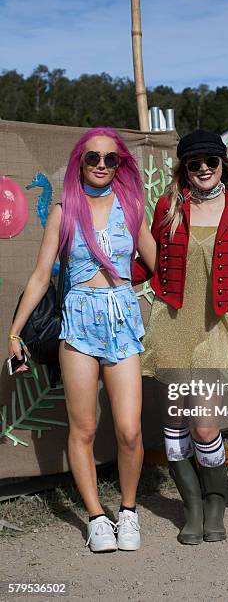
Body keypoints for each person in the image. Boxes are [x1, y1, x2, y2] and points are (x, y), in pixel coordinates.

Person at [8, 127, 157, 553]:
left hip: (122, 320)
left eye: (111, 159)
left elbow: (158, 262)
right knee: (84, 428)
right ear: (80, 161)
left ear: (120, 164)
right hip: (78, 321)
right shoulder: (63, 210)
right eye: (93, 157)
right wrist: (15, 331)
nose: (102, 165)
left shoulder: (131, 208)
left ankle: (128, 512)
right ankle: (96, 517)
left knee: (129, 430)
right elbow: (40, 276)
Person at [132, 129, 228, 544]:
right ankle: (191, 505)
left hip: (218, 327)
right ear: (184, 168)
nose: (204, 168)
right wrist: (107, 275)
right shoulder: (168, 206)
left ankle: (215, 502)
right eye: (195, 163)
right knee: (174, 426)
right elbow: (149, 262)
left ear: (223, 164)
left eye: (211, 160)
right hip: (171, 323)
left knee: (205, 425)